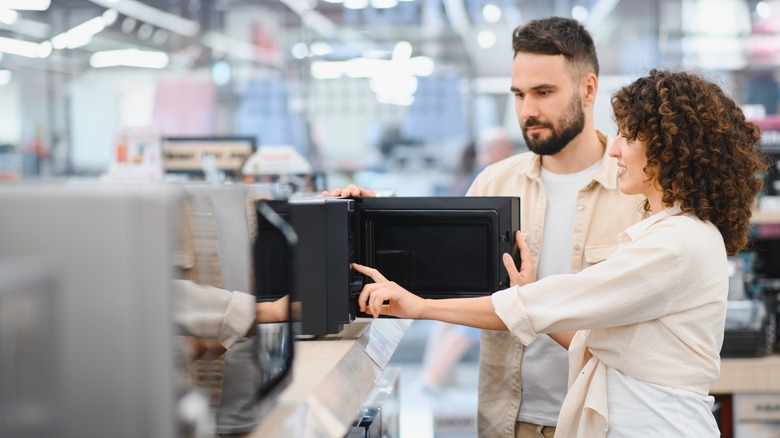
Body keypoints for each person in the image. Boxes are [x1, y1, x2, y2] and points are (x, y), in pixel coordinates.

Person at [351, 69, 768, 437]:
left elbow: (541, 305)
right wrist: (371, 218)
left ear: (670, 150)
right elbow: (591, 341)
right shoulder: (672, 233)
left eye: (629, 135)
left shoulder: (675, 245)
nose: (616, 149)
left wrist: (420, 307)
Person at [325, 17, 645, 437]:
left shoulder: (640, 194)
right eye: (519, 95)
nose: (528, 110)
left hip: (603, 422)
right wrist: (369, 225)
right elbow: (426, 279)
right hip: (509, 423)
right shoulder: (495, 184)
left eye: (544, 93)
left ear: (587, 89)